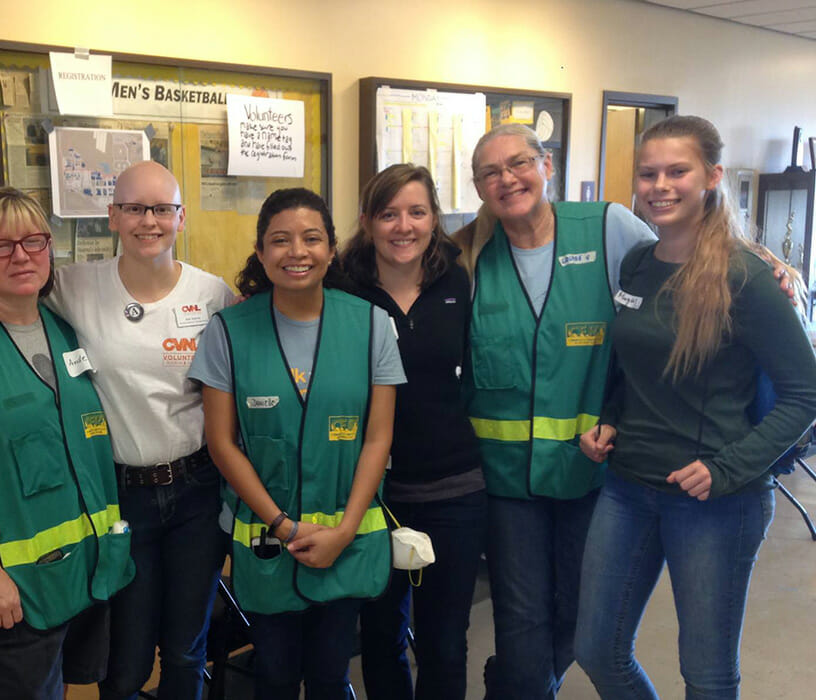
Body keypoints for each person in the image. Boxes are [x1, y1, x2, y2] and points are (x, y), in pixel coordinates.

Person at [0, 161, 234, 700]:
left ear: (180, 217)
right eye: (134, 208)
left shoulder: (213, 296)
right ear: (112, 216)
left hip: (193, 492)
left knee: (185, 647)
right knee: (124, 658)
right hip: (122, 497)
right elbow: (4, 304)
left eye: (161, 208)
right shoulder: (72, 290)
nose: (148, 220)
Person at [573, 115, 816, 699]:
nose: (660, 186)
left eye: (676, 171)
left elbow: (805, 395)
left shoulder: (748, 277)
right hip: (628, 485)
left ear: (711, 176)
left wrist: (728, 468)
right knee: (596, 650)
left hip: (715, 502)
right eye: (648, 173)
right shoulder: (637, 264)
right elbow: (631, 365)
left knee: (706, 675)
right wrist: (608, 417)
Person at [453, 123, 657, 699]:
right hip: (508, 485)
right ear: (478, 187)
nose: (507, 179)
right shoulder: (469, 256)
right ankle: (519, 683)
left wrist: (760, 264)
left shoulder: (608, 227)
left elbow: (675, 284)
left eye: (518, 163)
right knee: (522, 623)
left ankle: (517, 685)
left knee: (581, 616)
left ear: (547, 165)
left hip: (593, 474)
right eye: (490, 173)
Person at [190, 187, 404, 700]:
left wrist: (345, 529)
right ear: (261, 254)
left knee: (332, 675)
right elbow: (221, 443)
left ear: (332, 249)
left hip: (345, 540)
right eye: (280, 241)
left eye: (312, 238)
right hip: (267, 540)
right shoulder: (228, 331)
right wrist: (283, 525)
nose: (297, 252)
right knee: (277, 675)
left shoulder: (372, 325)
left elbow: (379, 437)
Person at [0, 187, 134, 699]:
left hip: (78, 574)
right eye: (1, 245)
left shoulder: (66, 332)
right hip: (7, 587)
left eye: (34, 241)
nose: (21, 255)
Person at [343, 164, 485, 700]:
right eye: (388, 213)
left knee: (444, 639)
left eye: (417, 212)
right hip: (373, 494)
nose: (403, 226)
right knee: (378, 636)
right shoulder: (343, 287)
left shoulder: (459, 280)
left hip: (455, 490)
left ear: (434, 219)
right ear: (367, 221)